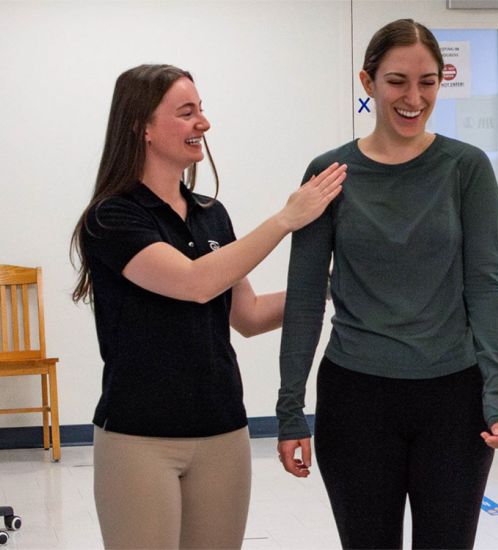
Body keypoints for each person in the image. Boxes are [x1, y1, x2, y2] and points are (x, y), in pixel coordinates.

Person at [71, 63, 344, 550]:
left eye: (202, 110)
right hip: (139, 440)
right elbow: (195, 283)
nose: (204, 123)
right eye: (187, 112)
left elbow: (250, 314)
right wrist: (286, 219)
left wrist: (336, 288)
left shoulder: (210, 215)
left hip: (223, 432)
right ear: (143, 127)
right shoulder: (112, 218)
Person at [275, 19, 498, 550]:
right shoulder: (329, 174)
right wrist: (290, 407)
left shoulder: (466, 168)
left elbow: (486, 286)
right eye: (397, 81)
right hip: (356, 397)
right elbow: (305, 297)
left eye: (428, 82)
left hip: (454, 399)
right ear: (368, 82)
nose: (414, 97)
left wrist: (497, 389)